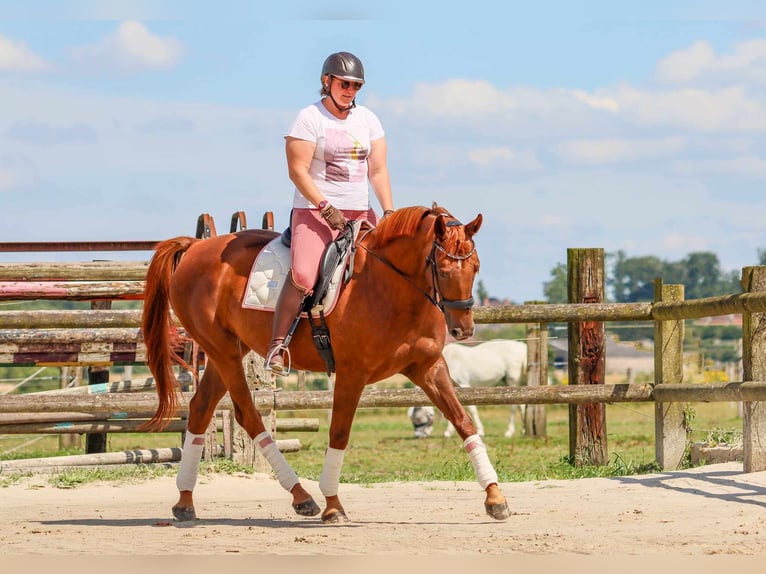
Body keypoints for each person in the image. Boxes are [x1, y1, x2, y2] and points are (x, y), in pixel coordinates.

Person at [266, 51, 394, 375]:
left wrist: (389, 211)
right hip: (315, 210)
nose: (350, 90)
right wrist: (326, 207)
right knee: (305, 275)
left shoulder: (369, 121)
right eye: (344, 83)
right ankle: (277, 346)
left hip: (360, 212)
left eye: (355, 85)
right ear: (327, 81)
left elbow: (377, 171)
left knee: (385, 270)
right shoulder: (309, 119)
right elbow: (297, 171)